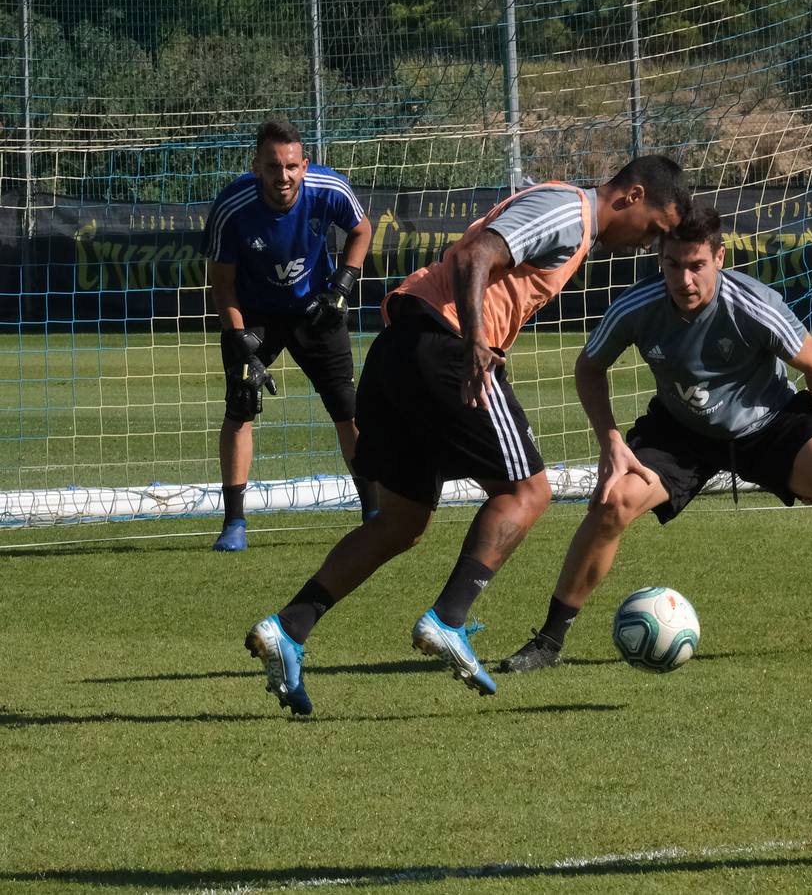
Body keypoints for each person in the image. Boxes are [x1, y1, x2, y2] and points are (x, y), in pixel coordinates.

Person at [243, 156, 692, 715]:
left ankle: (290, 626)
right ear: (632, 196)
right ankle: (448, 619)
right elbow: (479, 254)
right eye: (654, 229)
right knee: (529, 492)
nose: (648, 244)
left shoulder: (572, 222)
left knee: (402, 521)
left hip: (403, 348)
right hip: (447, 346)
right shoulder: (570, 211)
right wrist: (478, 341)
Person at [496, 202, 812, 676]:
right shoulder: (638, 306)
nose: (683, 280)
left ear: (719, 258)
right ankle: (549, 641)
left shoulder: (752, 304)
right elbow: (589, 367)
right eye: (671, 265)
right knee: (613, 501)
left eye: (696, 266)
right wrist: (610, 442)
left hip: (770, 424)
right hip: (680, 432)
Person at [205, 119, 376, 552]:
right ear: (256, 165)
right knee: (241, 405)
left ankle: (373, 511)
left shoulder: (330, 189)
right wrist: (239, 339)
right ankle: (234, 523)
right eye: (273, 166)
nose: (283, 175)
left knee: (347, 408)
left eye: (292, 166)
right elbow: (222, 283)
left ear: (305, 165)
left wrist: (342, 285)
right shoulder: (233, 207)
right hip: (256, 313)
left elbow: (361, 229)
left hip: (316, 309)